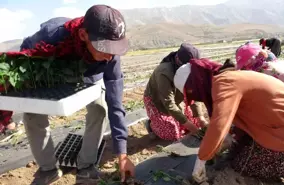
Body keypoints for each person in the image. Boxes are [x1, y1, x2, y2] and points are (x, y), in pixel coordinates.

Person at [4, 5, 134, 184]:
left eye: (114, 49)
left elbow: (116, 102)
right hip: (54, 66)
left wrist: (122, 153)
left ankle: (86, 166)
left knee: (100, 107)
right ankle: (47, 169)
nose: (110, 56)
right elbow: (24, 52)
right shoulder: (51, 37)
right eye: (103, 48)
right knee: (33, 113)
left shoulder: (110, 55)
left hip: (89, 72)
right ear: (83, 35)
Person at [173, 58, 284, 185]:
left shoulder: (223, 83)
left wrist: (201, 159)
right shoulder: (229, 76)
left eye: (191, 92)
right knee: (239, 151)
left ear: (196, 83)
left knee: (244, 165)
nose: (196, 97)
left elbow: (219, 124)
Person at [143, 43, 207, 141]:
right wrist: (193, 129)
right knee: (173, 133)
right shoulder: (164, 72)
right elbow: (169, 103)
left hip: (178, 98)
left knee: (194, 123)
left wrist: (201, 118)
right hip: (158, 102)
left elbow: (194, 94)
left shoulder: (191, 70)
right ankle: (152, 125)